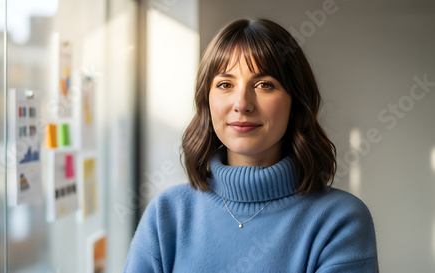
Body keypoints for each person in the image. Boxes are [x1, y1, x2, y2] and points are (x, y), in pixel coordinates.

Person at [123, 18, 378, 272]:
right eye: (225, 84)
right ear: (206, 102)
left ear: (295, 103)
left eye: (264, 85)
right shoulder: (167, 215)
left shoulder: (340, 220)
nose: (242, 103)